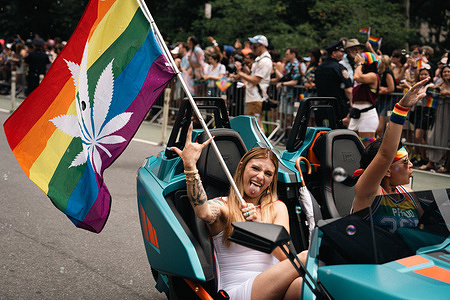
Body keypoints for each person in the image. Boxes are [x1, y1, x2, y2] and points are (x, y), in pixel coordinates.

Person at [169, 125, 306, 300]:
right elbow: (203, 212)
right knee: (306, 257)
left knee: (303, 286)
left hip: (276, 285)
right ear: (241, 167)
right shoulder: (223, 206)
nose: (260, 176)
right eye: (255, 168)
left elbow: (285, 256)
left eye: (268, 173)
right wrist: (190, 166)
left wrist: (261, 227)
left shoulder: (278, 207)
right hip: (239, 290)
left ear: (272, 180)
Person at [352, 77, 430, 233]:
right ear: (387, 170)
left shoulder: (409, 194)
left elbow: (428, 229)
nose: (411, 164)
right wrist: (402, 108)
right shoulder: (368, 193)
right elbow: (385, 154)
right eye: (405, 161)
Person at [235, 35, 273, 131]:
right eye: (252, 46)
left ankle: (261, 146)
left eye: (254, 46)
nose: (252, 49)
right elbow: (252, 76)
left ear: (262, 46)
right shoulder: (259, 59)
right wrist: (242, 68)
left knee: (257, 125)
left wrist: (240, 73)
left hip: (257, 97)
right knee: (254, 124)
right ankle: (258, 145)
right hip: (253, 97)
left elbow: (255, 80)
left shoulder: (265, 61)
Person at [420, 63, 450, 173]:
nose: (446, 73)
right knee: (433, 137)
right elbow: (432, 91)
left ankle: (446, 165)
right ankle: (431, 162)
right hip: (439, 114)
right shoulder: (440, 83)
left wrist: (447, 93)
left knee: (448, 140)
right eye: (445, 72)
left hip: (448, 114)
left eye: (448, 71)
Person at [315, 40, 353, 126]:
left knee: (323, 132)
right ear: (334, 53)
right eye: (341, 52)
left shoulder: (319, 68)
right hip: (337, 107)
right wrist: (351, 102)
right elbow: (348, 90)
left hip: (321, 105)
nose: (343, 54)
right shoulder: (339, 68)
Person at [348, 52, 380, 146]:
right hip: (356, 114)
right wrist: (348, 116)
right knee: (351, 144)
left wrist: (359, 64)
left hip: (368, 116)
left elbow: (357, 77)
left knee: (366, 147)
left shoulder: (373, 76)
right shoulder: (362, 74)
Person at [275, 47, 301, 139]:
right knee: (283, 116)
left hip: (292, 96)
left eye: (287, 54)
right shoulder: (287, 65)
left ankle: (290, 137)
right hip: (285, 94)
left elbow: (295, 81)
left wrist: (282, 83)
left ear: (293, 54)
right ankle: (284, 135)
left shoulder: (297, 65)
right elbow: (284, 77)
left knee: (289, 118)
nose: (285, 56)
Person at [376, 55, 396, 137]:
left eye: (379, 61)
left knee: (380, 129)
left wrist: (381, 90)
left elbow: (391, 88)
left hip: (388, 102)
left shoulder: (387, 73)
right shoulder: (380, 73)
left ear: (383, 63)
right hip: (382, 101)